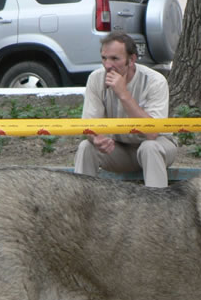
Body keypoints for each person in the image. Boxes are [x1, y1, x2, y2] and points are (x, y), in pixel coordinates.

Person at [75, 32, 177, 188]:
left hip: (157, 146)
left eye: (115, 59)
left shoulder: (155, 81)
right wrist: (96, 138)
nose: (108, 65)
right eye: (104, 58)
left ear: (132, 60)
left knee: (149, 148)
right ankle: (80, 204)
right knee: (86, 147)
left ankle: (158, 209)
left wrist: (123, 94)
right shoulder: (96, 79)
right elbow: (89, 124)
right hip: (119, 149)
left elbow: (152, 133)